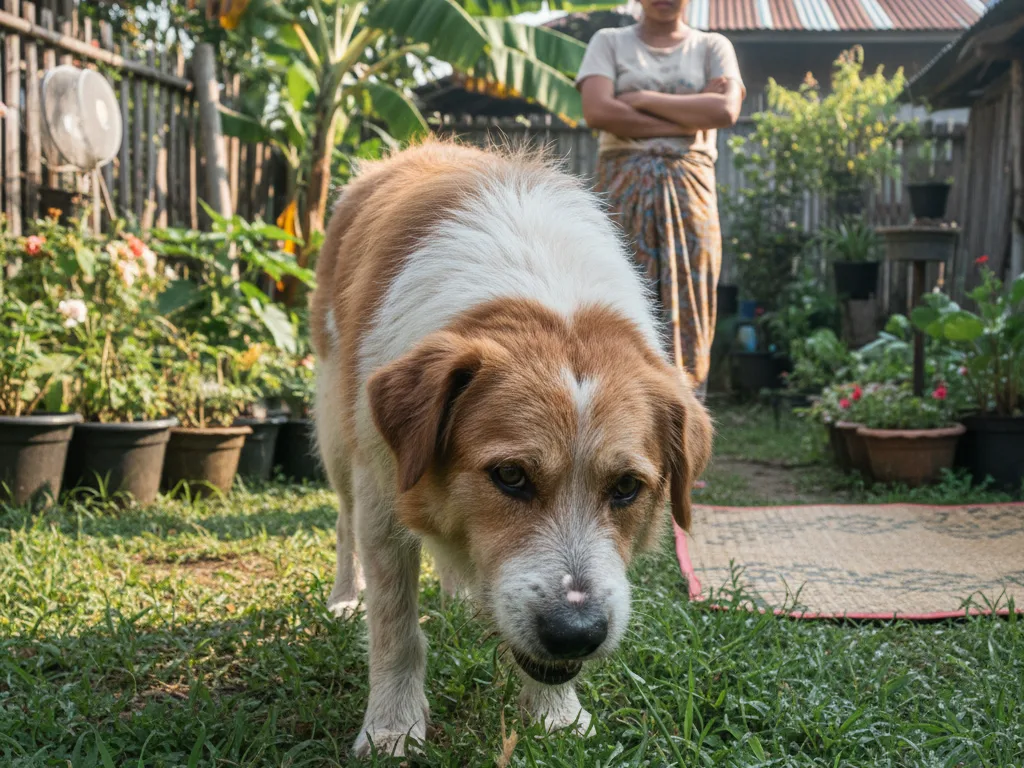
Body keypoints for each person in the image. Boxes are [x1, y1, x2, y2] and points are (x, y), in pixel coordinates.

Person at [576, 0, 744, 399]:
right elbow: (598, 110)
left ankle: (687, 410)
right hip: (622, 194)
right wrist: (688, 118)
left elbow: (724, 109)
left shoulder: (712, 47)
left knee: (691, 298)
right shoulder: (609, 42)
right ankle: (619, 407)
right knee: (617, 295)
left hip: (690, 192)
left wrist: (640, 98)